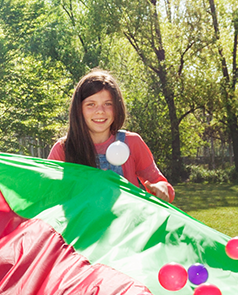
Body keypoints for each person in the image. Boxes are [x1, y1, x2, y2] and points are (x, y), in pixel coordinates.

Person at [46, 68, 175, 203]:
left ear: (117, 107)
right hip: (83, 224)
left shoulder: (132, 143)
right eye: (91, 104)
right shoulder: (63, 149)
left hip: (126, 222)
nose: (100, 111)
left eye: (108, 104)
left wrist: (162, 188)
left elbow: (160, 183)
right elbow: (47, 194)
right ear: (79, 110)